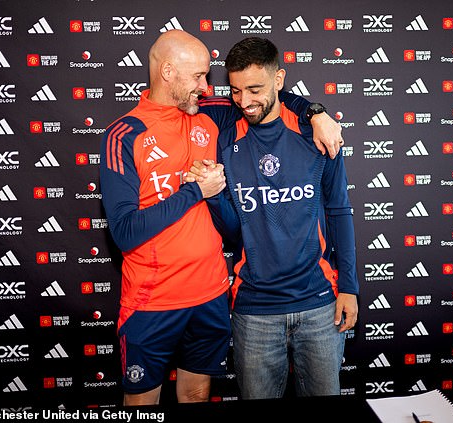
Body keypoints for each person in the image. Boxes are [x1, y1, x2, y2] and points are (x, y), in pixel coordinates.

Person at [99, 30, 344, 406]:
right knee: (142, 403)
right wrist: (196, 192)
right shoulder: (125, 132)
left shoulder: (209, 115)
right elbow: (125, 232)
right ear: (167, 72)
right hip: (152, 301)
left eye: (207, 77)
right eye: (198, 76)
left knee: (197, 393)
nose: (207, 85)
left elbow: (268, 95)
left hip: (211, 295)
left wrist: (317, 112)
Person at [188, 37, 359, 400]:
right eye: (235, 91)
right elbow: (236, 234)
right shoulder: (224, 133)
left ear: (279, 79)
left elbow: (340, 211)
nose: (245, 101)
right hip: (254, 311)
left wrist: (349, 287)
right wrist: (216, 195)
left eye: (255, 89)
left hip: (319, 305)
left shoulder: (317, 133)